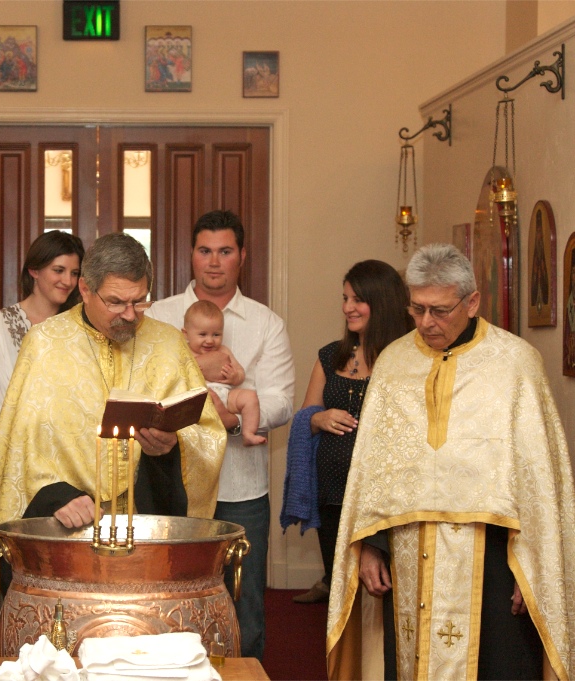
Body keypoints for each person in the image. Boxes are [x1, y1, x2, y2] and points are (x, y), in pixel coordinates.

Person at [0, 232, 227, 654]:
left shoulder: (168, 343)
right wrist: (56, 494)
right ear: (85, 289)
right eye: (116, 302)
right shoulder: (45, 343)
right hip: (68, 542)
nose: (130, 315)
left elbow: (206, 434)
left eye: (140, 301)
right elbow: (20, 448)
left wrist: (170, 448)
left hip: (148, 538)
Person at [327, 243, 575, 680]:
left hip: (493, 558)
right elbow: (375, 471)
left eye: (439, 310)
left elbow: (538, 478)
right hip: (407, 552)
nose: (426, 322)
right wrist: (369, 547)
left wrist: (534, 571)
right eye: (417, 308)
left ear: (472, 302)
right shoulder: (395, 362)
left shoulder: (515, 363)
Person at [148, 209, 295, 660]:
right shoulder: (158, 315)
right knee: (167, 603)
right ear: (191, 255)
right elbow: (143, 386)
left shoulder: (265, 322)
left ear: (242, 256)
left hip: (240, 486)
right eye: (205, 250)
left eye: (225, 251)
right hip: (171, 480)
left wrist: (226, 419)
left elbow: (280, 400)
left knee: (243, 605)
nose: (214, 262)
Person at [290, 260, 411, 605]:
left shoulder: (405, 359)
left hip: (383, 499)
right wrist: (320, 418)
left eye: (358, 299)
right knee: (340, 592)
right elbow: (306, 416)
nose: (348, 308)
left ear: (382, 302)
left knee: (382, 593)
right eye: (345, 299)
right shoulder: (331, 355)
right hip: (332, 494)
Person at [0, 230, 84, 425]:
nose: (68, 281)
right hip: (14, 442)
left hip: (71, 442)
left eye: (74, 273)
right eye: (58, 270)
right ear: (34, 270)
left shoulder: (80, 326)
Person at [181, 300, 265, 446]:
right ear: (186, 334)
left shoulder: (224, 351)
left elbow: (240, 372)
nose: (209, 340)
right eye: (202, 334)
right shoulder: (184, 352)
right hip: (199, 398)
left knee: (250, 396)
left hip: (226, 395)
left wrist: (234, 376)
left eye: (216, 334)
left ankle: (248, 433)